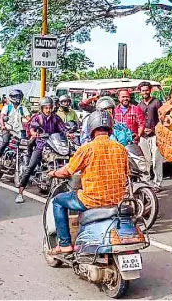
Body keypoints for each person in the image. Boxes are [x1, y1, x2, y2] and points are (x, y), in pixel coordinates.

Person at [46, 109, 129, 254]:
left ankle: (65, 244)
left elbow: (67, 171)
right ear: (110, 128)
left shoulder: (87, 149)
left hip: (92, 200)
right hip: (118, 200)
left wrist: (53, 173)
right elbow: (127, 174)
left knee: (58, 201)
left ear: (91, 128)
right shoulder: (121, 149)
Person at [15, 96, 67, 203]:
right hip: (41, 145)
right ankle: (20, 193)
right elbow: (32, 129)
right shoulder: (37, 118)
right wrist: (34, 133)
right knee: (30, 167)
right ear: (42, 108)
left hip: (54, 146)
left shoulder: (56, 118)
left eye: (50, 107)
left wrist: (69, 134)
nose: (48, 110)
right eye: (46, 108)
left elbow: (63, 129)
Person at [137, 81, 164, 191]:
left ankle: (157, 183)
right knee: (146, 160)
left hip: (155, 135)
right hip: (143, 136)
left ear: (150, 90)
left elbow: (162, 119)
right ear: (140, 92)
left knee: (156, 159)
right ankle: (147, 182)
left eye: (146, 90)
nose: (145, 92)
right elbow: (138, 120)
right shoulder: (139, 105)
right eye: (143, 91)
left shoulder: (157, 102)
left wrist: (152, 129)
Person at [0, 89, 31, 165]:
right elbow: (1, 117)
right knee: (5, 142)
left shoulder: (23, 108)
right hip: (8, 129)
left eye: (19, 97)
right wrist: (2, 125)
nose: (17, 98)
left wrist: (34, 123)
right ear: (12, 97)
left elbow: (29, 118)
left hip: (19, 130)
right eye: (16, 96)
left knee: (26, 144)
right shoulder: (7, 107)